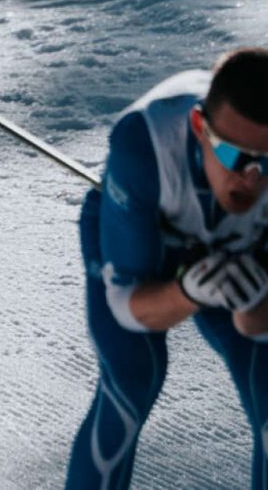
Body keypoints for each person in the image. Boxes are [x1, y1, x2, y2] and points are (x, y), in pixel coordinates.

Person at [65, 47, 268, 489]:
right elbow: (126, 306)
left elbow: (256, 328)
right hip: (145, 240)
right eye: (235, 157)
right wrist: (187, 293)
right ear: (200, 128)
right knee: (132, 381)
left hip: (239, 253)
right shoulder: (143, 144)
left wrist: (254, 298)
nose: (251, 178)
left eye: (267, 162)